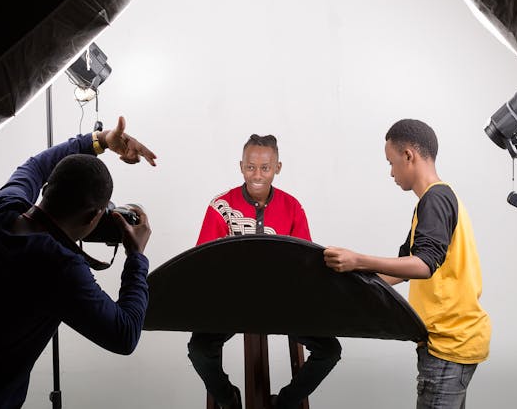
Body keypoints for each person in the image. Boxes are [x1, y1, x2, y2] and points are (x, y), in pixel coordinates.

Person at [0, 116, 157, 409]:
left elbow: (36, 166)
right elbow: (125, 334)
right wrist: (136, 257)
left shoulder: (1, 211)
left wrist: (100, 140)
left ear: (45, 189)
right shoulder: (61, 268)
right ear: (94, 217)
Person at [323, 119, 491, 409]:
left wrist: (357, 259)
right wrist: (348, 287)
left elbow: (424, 265)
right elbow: (401, 270)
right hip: (455, 342)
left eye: (391, 162)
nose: (390, 172)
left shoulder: (435, 199)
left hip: (448, 345)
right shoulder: (434, 201)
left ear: (408, 156)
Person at [188, 134, 341, 409]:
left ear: (277, 168)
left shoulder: (292, 207)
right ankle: (229, 399)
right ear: (241, 166)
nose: (257, 174)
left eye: (265, 168)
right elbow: (204, 263)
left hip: (282, 305)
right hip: (231, 305)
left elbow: (306, 263)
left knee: (329, 350)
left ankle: (283, 404)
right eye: (250, 167)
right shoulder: (220, 206)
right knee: (198, 349)